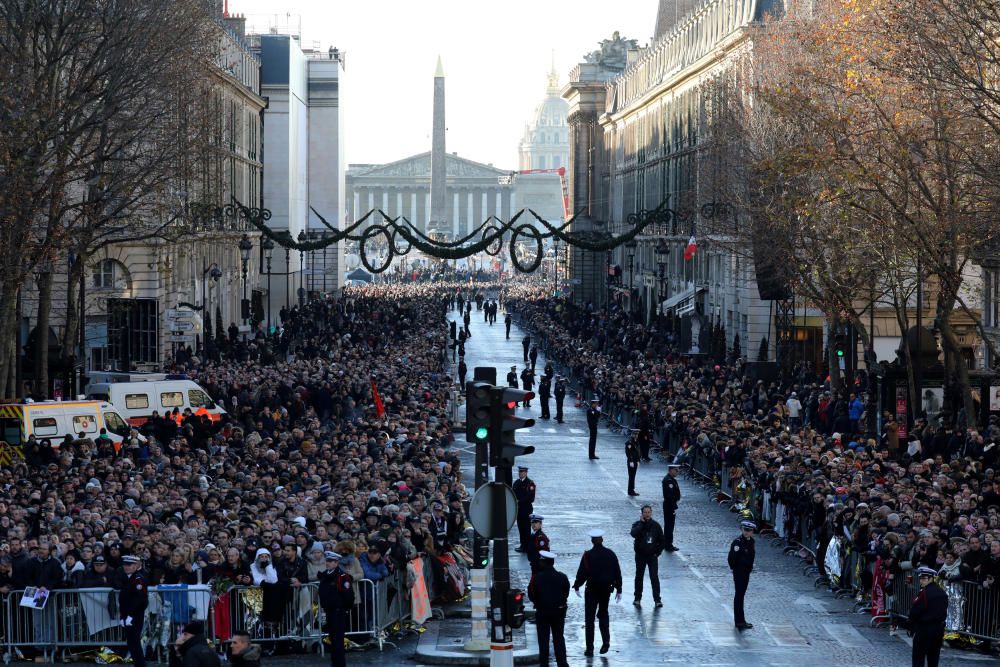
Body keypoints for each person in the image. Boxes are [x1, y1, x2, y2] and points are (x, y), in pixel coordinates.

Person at [573, 529, 622, 657]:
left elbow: (583, 572)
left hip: (592, 590)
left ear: (592, 541)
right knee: (603, 614)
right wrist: (619, 588)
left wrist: (577, 585)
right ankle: (606, 642)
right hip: (606, 590)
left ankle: (590, 649)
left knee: (589, 619)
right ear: (602, 540)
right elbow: (617, 571)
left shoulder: (588, 555)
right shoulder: (611, 554)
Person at [528, 551, 570, 667]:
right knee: (559, 638)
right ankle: (562, 662)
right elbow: (566, 592)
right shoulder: (562, 577)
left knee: (543, 639)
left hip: (543, 611)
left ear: (543, 563)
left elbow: (531, 594)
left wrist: (538, 602)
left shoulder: (536, 578)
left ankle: (544, 663)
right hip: (558, 611)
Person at [908, 565, 948, 667]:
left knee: (918, 658)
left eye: (924, 578)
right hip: (938, 629)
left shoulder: (924, 593)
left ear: (931, 578)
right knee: (933, 658)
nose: (921, 581)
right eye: (920, 578)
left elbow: (915, 612)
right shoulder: (942, 592)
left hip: (924, 629)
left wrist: (911, 627)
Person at [318, 551, 353, 667]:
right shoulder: (325, 575)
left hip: (338, 611)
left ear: (336, 562)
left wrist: (344, 608)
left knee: (338, 640)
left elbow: (348, 595)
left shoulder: (341, 576)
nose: (327, 563)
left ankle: (340, 664)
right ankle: (335, 663)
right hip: (329, 610)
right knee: (333, 638)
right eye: (327, 560)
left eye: (330, 561)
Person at [630, 505, 664, 607]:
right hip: (640, 555)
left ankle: (657, 600)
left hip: (652, 556)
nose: (647, 514)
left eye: (649, 512)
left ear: (651, 513)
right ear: (642, 513)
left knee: (654, 577)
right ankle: (637, 598)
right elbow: (633, 534)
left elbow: (662, 541)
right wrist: (641, 524)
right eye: (645, 512)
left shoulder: (656, 525)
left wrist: (657, 553)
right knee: (639, 577)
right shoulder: (637, 524)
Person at [118, 554, 148, 667]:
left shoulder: (138, 579)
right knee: (132, 643)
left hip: (135, 616)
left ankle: (140, 665)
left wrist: (130, 615)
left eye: (129, 565)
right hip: (128, 615)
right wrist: (123, 616)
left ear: (135, 566)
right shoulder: (127, 578)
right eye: (125, 564)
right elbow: (124, 599)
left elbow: (139, 600)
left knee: (134, 643)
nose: (126, 567)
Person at [728, 520, 756, 630]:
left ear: (752, 531)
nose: (746, 532)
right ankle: (739, 621)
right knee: (739, 595)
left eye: (749, 531)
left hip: (746, 572)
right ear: (742, 529)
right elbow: (731, 558)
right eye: (745, 530)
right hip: (739, 572)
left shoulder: (751, 541)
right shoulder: (738, 542)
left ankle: (741, 620)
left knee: (741, 595)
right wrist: (735, 569)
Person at [512, 466, 536, 552]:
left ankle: (527, 546)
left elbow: (531, 498)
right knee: (520, 528)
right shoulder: (516, 483)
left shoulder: (530, 484)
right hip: (518, 510)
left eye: (522, 472)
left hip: (526, 509)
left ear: (526, 473)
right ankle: (523, 545)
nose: (520, 474)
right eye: (519, 472)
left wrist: (519, 501)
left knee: (526, 528)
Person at [661, 464, 681, 552]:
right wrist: (673, 507)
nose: (677, 472)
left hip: (670, 505)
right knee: (669, 526)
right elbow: (670, 496)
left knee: (669, 525)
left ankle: (668, 543)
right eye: (676, 470)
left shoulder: (671, 479)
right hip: (670, 505)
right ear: (671, 470)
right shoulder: (669, 480)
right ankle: (668, 544)